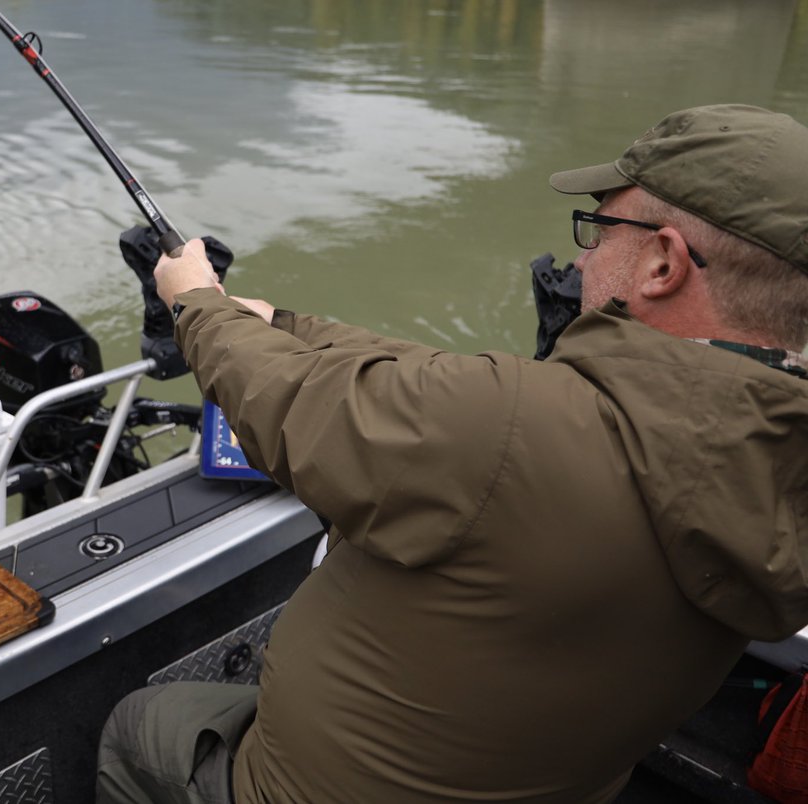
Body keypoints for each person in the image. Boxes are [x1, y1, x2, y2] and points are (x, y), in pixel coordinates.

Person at [95, 104, 808, 803]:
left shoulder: (507, 427)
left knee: (141, 726)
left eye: (600, 229)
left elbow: (289, 399)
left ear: (661, 263)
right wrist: (274, 320)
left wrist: (194, 303)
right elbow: (440, 386)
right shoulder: (777, 456)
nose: (584, 254)